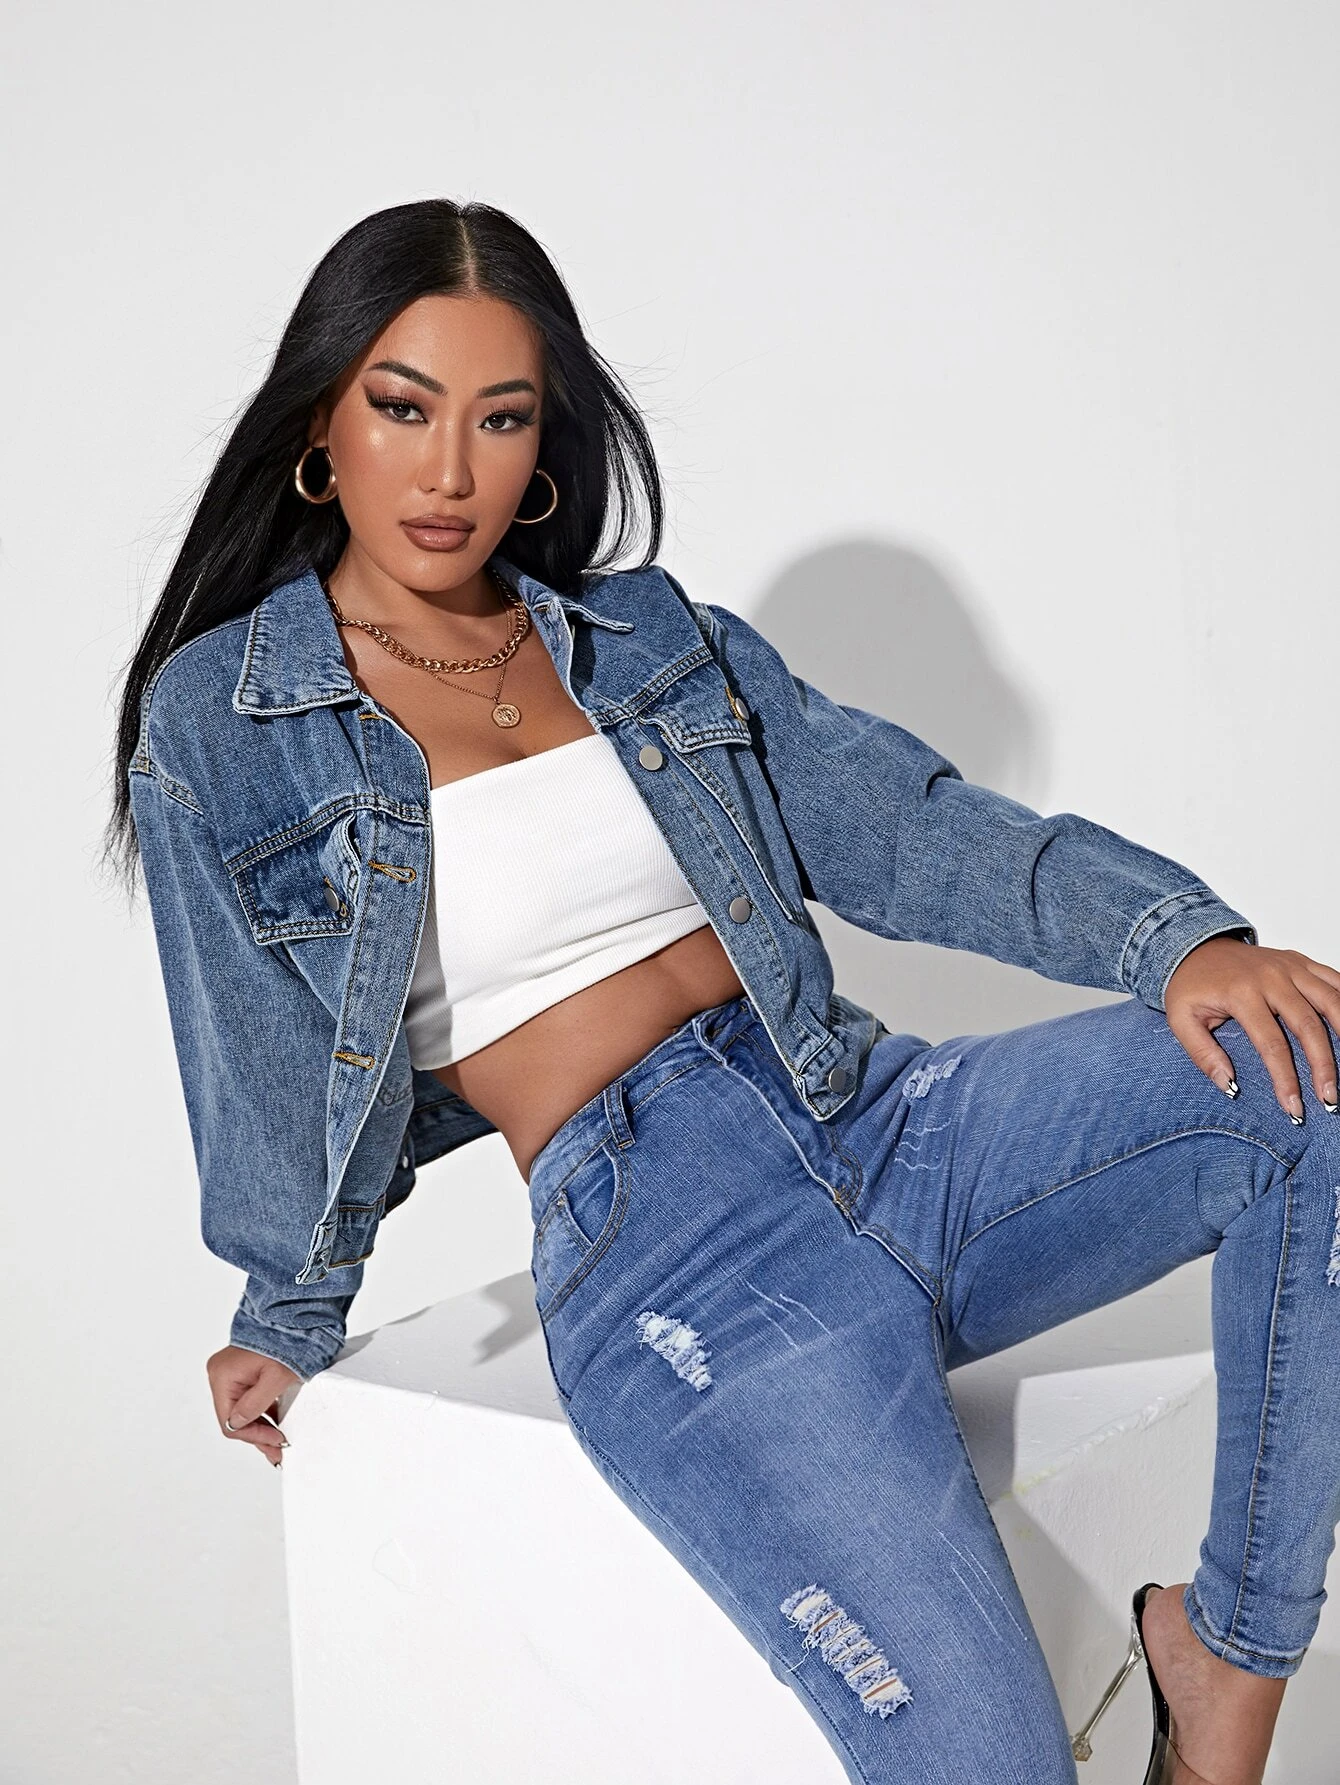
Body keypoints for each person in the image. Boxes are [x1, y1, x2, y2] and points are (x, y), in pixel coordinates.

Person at [106, 198, 1340, 1785]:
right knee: (990, 1763)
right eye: (404, 410)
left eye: (501, 418)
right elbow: (256, 1050)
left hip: (881, 1116)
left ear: (546, 447)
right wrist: (288, 1310)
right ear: (320, 432)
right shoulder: (222, 722)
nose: (451, 471)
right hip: (674, 1249)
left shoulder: (648, 636)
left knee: (1308, 1077)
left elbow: (907, 828)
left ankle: (1229, 1659)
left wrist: (1175, 940)